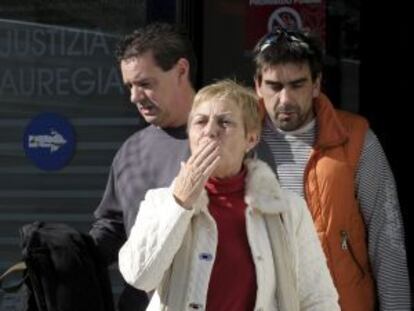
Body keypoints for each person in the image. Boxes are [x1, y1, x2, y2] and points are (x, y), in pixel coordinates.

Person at [118, 79, 340, 311]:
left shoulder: (288, 209)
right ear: (190, 135)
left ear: (251, 138)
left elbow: (318, 299)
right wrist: (179, 203)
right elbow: (139, 276)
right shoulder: (160, 201)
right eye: (200, 121)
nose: (210, 131)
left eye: (224, 122)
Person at [253, 27, 412, 311]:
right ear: (258, 85)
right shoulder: (239, 141)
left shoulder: (355, 138)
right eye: (275, 86)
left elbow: (387, 239)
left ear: (316, 84)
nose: (285, 99)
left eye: (297, 85)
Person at [89, 22, 196, 310]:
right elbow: (115, 227)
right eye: (130, 86)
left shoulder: (227, 140)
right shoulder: (131, 150)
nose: (134, 97)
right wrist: (72, 252)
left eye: (145, 84)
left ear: (181, 71)